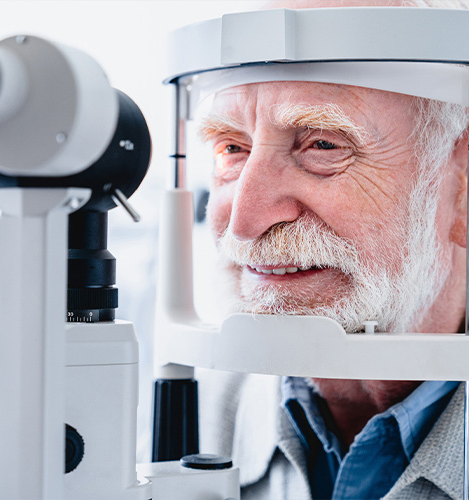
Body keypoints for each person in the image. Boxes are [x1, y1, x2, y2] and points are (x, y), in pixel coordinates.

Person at [196, 0, 469, 499]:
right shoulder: (179, 408)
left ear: (462, 190)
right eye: (232, 148)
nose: (244, 220)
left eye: (322, 145)